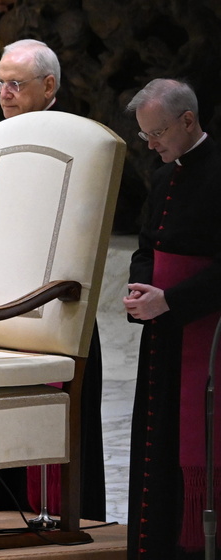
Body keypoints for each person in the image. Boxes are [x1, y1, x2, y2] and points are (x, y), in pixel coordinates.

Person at [0, 39, 106, 524]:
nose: (5, 94)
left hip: (55, 311)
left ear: (49, 85)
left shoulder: (80, 144)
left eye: (16, 84)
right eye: (0, 83)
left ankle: (63, 522)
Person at [123, 78, 221, 560]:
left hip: (207, 337)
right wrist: (141, 288)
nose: (152, 143)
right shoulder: (163, 175)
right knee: (154, 447)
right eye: (144, 136)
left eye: (157, 133)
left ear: (188, 120)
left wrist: (172, 300)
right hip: (163, 334)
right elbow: (146, 246)